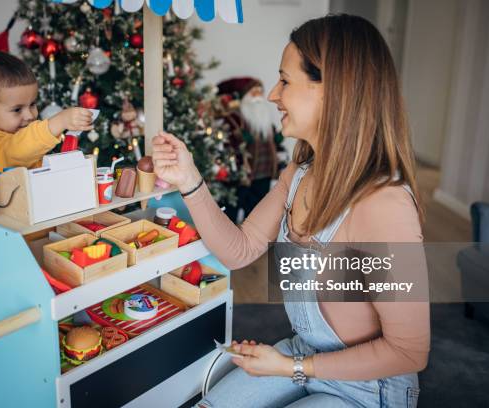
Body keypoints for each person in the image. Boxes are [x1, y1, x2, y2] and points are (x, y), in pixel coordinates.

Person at [152, 14, 430, 408]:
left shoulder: (384, 204)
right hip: (305, 353)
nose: (272, 95)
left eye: (285, 80)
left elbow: (408, 351)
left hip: (370, 387)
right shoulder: (297, 176)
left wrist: (290, 367)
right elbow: (238, 249)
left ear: (333, 90)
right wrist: (189, 179)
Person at [0, 49, 93, 183]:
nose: (30, 115)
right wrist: (60, 121)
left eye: (32, 104)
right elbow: (17, 150)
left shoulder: (14, 133)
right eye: (17, 109)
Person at [216, 77, 286, 223]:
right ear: (245, 96)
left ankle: (251, 241)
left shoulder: (266, 120)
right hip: (242, 177)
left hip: (264, 175)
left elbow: (276, 143)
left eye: (260, 91)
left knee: (255, 214)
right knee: (231, 212)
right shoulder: (236, 119)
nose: (258, 96)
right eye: (253, 92)